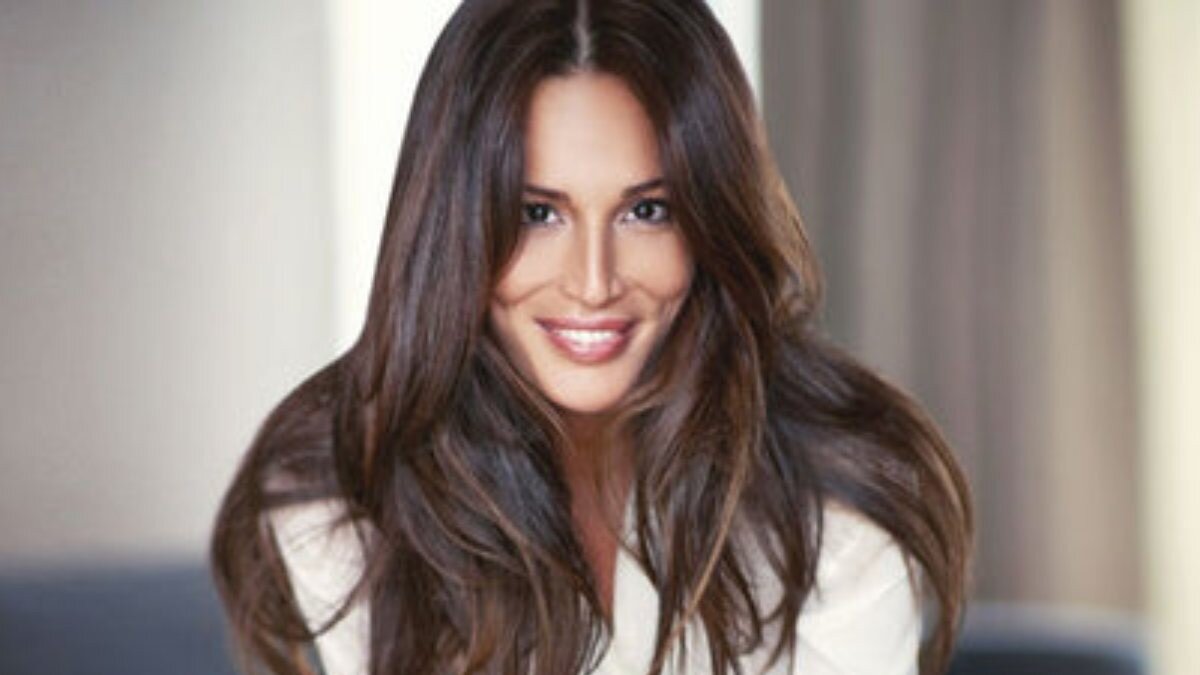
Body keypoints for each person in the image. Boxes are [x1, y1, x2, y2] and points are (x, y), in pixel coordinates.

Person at [210, 1, 973, 674]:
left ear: (711, 219)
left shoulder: (840, 483)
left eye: (647, 211)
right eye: (538, 213)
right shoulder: (343, 485)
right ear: (454, 226)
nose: (593, 281)